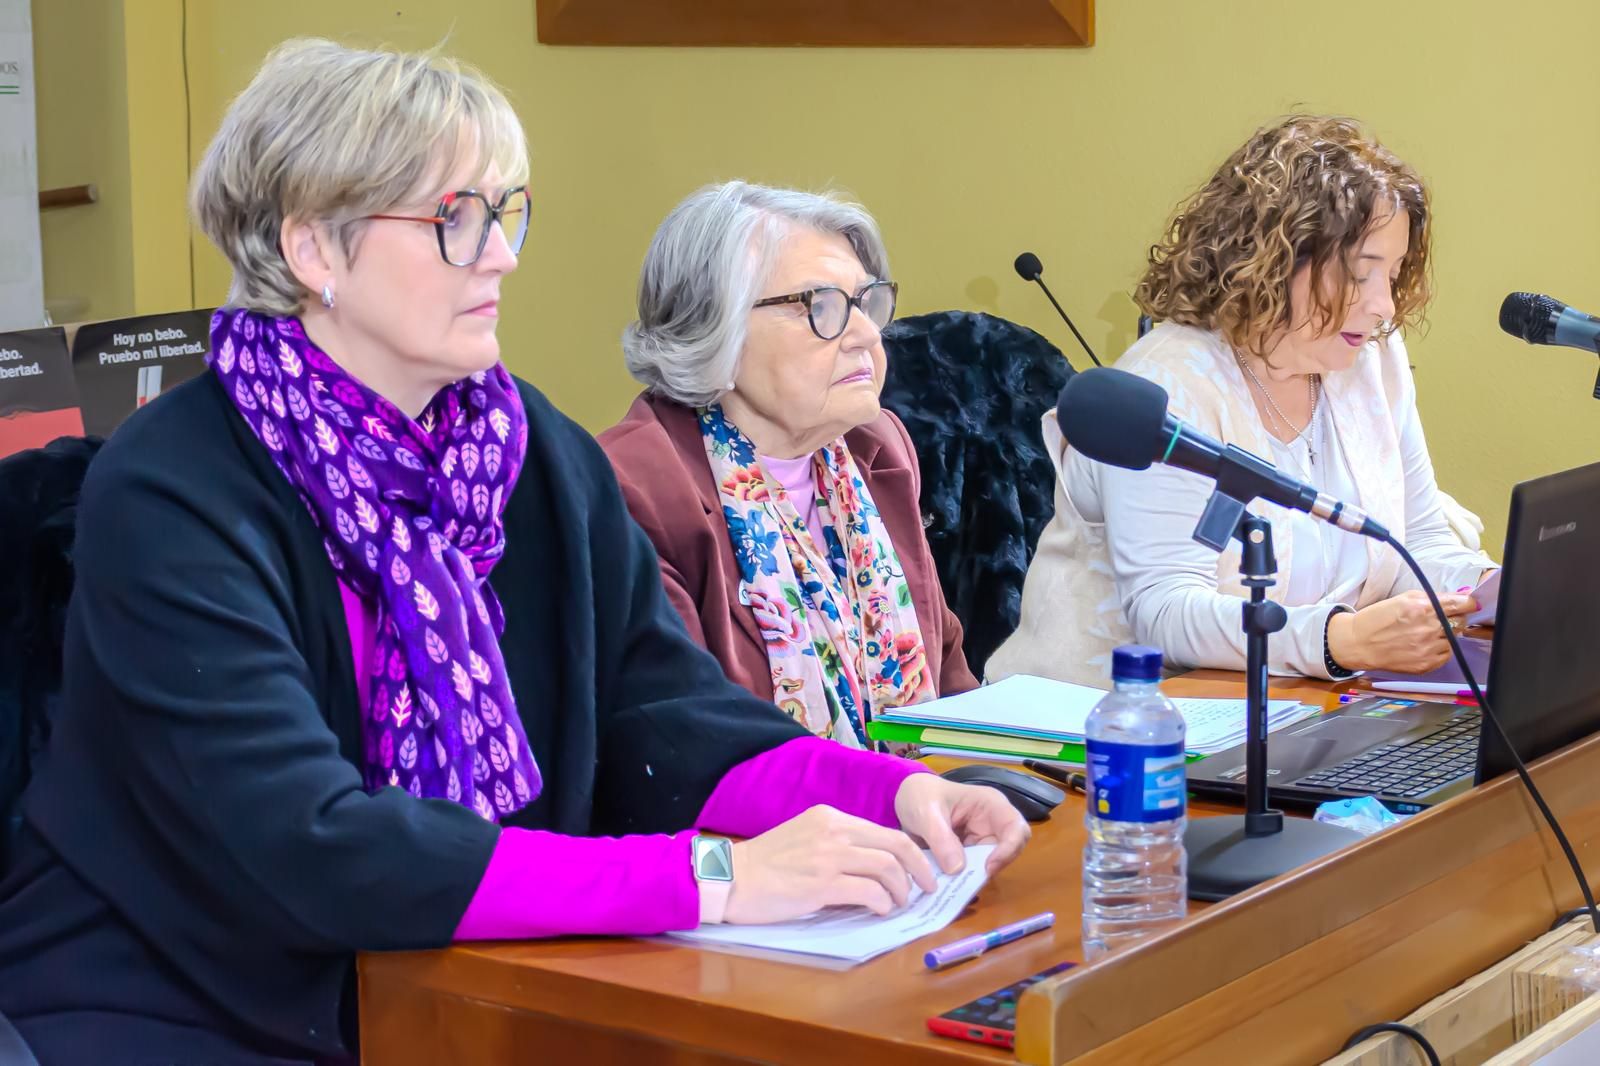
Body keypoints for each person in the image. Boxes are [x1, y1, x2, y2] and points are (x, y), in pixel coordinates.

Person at [0, 41, 1027, 1064]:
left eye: (506, 212)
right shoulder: (174, 487)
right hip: (186, 1002)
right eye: (454, 219)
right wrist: (715, 879)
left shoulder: (529, 452)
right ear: (313, 250)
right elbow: (308, 842)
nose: (500, 254)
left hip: (479, 980)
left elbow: (663, 716)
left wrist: (886, 791)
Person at [988, 115, 1494, 688]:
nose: (1384, 305)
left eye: (1395, 273)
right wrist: (1340, 640)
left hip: (1290, 709)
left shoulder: (1371, 361)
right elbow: (1166, 610)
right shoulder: (1170, 384)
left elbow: (1419, 541)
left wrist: (1498, 592)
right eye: (1361, 273)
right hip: (1104, 733)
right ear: (1277, 261)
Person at [600, 182, 977, 748]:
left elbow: (949, 676)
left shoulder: (876, 449)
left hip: (928, 815)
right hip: (755, 827)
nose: (867, 335)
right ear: (713, 328)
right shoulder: (630, 490)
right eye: (820, 307)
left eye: (866, 302)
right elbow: (677, 741)